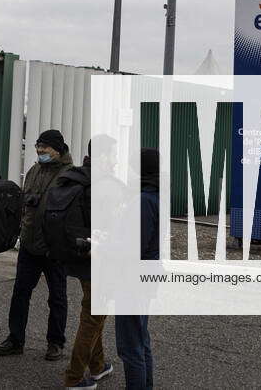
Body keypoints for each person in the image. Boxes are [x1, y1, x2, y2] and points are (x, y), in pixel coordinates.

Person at [0, 129, 71, 361]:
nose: (39, 151)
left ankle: (56, 342)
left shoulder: (68, 175)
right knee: (20, 293)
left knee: (57, 296)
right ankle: (15, 339)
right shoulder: (34, 170)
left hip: (54, 247)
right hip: (29, 244)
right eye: (38, 146)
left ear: (57, 149)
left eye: (44, 147)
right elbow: (25, 202)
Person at [49, 150, 114, 390]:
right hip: (98, 258)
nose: (115, 159)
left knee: (92, 312)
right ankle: (74, 377)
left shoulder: (75, 177)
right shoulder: (102, 185)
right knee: (92, 319)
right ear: (103, 157)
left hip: (78, 255)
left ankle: (98, 366)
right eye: (112, 154)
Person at [114, 148, 160, 390]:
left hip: (132, 278)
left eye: (133, 167)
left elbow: (134, 247)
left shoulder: (142, 200)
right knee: (141, 338)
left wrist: (104, 245)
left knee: (130, 345)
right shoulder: (157, 195)